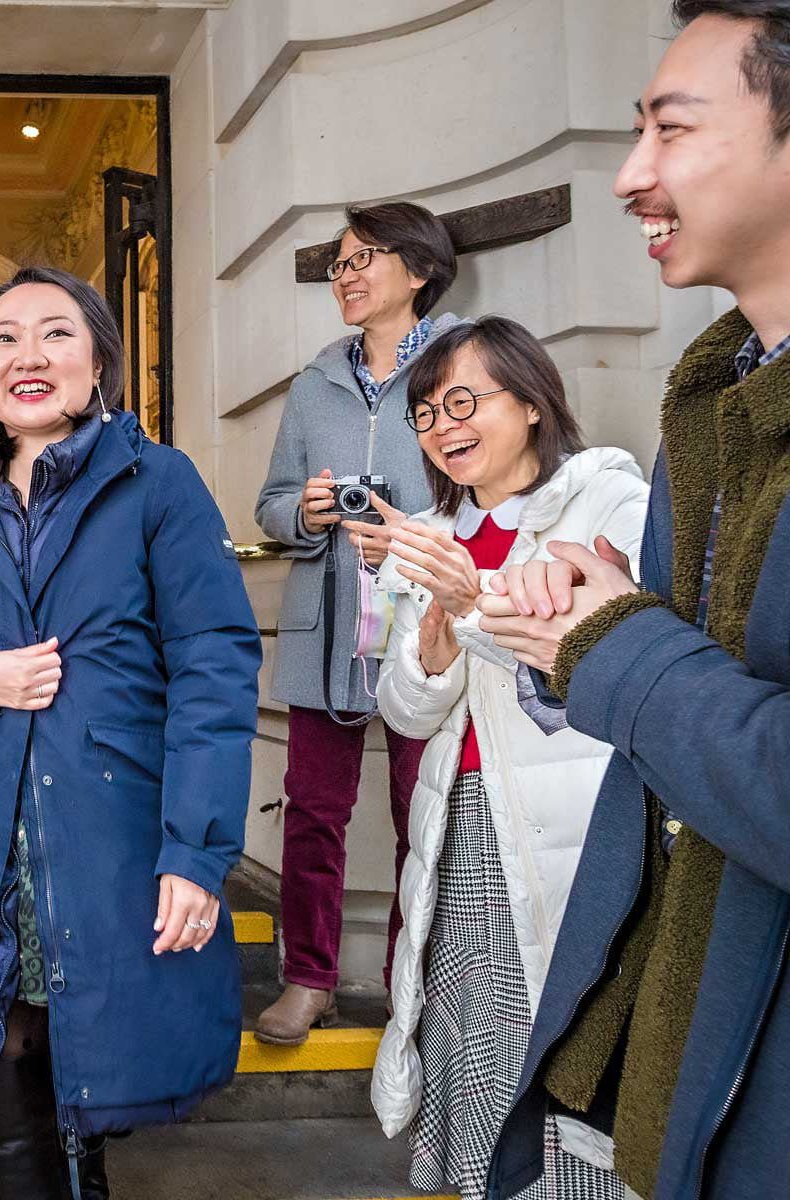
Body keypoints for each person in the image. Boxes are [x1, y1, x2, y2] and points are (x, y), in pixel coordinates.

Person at [480, 5, 790, 1197]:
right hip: (686, 1074)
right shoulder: (709, 408)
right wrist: (582, 625)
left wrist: (613, 641)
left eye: (671, 128)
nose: (629, 175)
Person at [0, 266, 261, 1199]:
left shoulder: (159, 482)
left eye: (56, 334)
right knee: (4, 1050)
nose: (28, 356)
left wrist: (197, 852)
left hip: (111, 830)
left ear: (99, 361)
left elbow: (214, 666)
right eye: (3, 338)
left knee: (79, 1047)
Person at [344, 318, 647, 1200]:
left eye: (464, 400)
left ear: (531, 399)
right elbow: (406, 710)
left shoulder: (606, 501)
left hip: (576, 821)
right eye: (426, 411)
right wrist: (435, 642)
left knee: (574, 1039)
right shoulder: (435, 534)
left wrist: (468, 603)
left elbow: (609, 656)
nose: (443, 425)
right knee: (475, 1033)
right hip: (462, 817)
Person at [253, 201, 462, 1045]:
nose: (344, 275)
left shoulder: (463, 365)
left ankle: (410, 986)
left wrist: (405, 528)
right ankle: (309, 977)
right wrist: (304, 512)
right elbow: (270, 505)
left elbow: (494, 493)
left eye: (362, 259)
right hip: (327, 631)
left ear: (417, 271)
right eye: (338, 264)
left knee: (425, 809)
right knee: (311, 810)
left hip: (422, 628)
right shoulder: (313, 384)